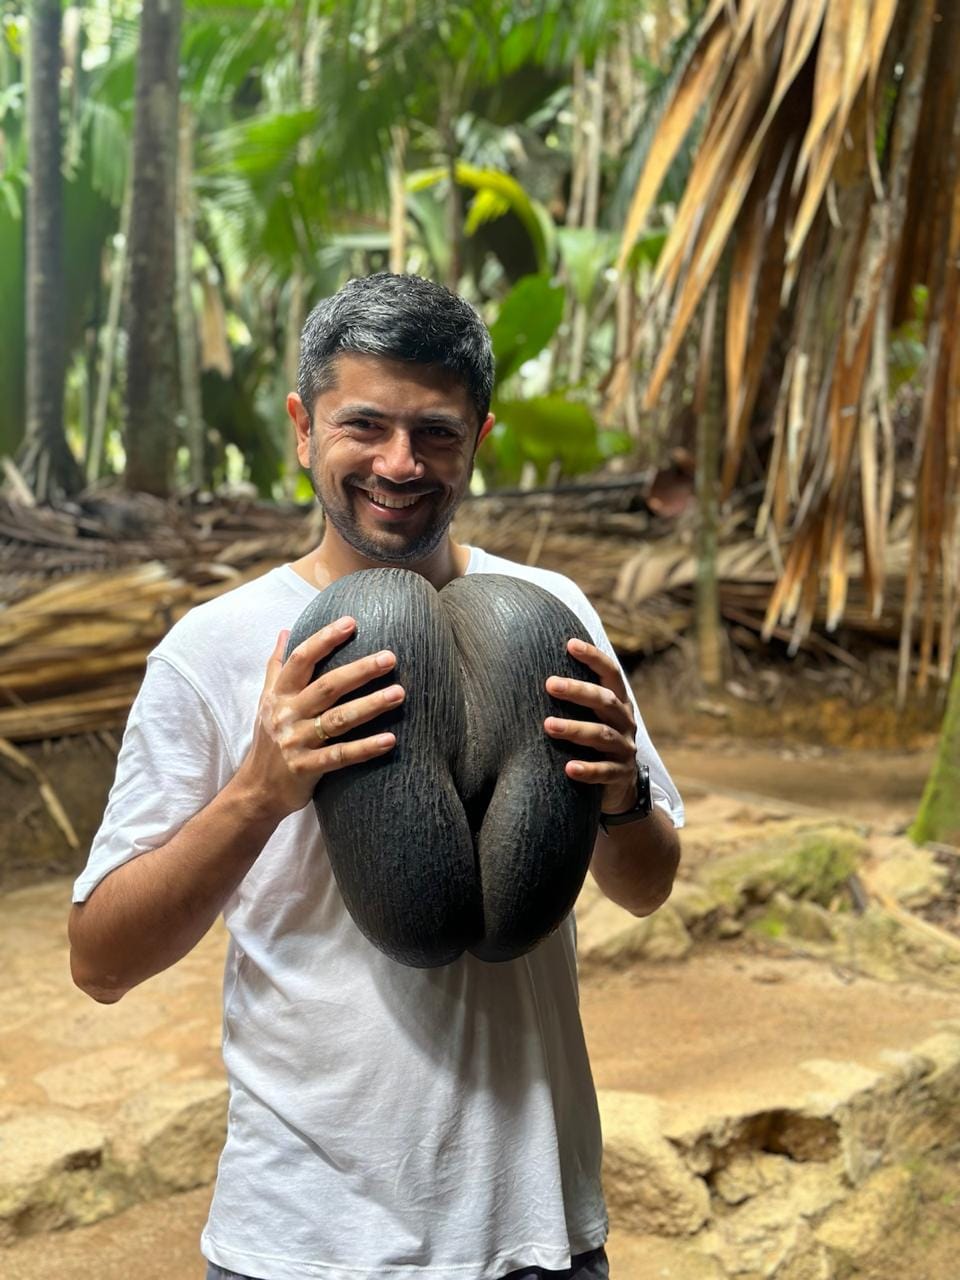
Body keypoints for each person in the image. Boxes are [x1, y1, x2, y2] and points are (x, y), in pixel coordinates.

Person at [69, 273, 683, 1280]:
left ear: (479, 439)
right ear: (303, 428)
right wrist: (259, 791)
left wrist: (623, 795)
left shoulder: (553, 611)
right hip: (305, 1245)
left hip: (538, 1232)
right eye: (365, 425)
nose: (401, 463)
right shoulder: (212, 648)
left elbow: (647, 884)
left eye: (436, 432)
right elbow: (100, 960)